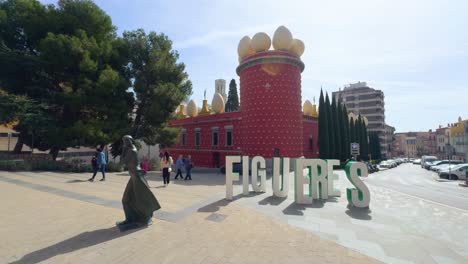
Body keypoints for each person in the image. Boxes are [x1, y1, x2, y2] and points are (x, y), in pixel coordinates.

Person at [117, 135, 161, 231]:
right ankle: (130, 219)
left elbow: (121, 162)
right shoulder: (131, 148)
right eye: (123, 141)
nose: (124, 143)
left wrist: (123, 150)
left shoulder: (131, 151)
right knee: (127, 200)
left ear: (130, 141)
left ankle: (144, 218)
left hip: (137, 176)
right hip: (134, 175)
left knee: (137, 199)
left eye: (125, 141)